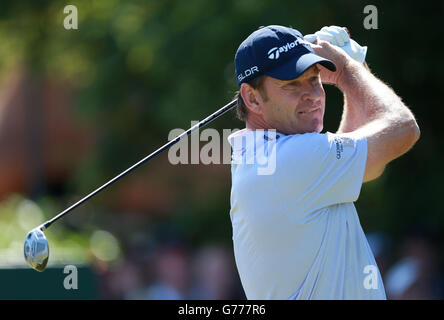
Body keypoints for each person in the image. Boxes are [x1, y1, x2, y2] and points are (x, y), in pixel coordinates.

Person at [227, 25, 420, 299]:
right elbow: (403, 129)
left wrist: (354, 69)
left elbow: (367, 163)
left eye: (314, 78)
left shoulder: (269, 160)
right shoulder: (289, 160)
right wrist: (347, 71)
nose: (314, 95)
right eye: (291, 84)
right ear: (252, 98)